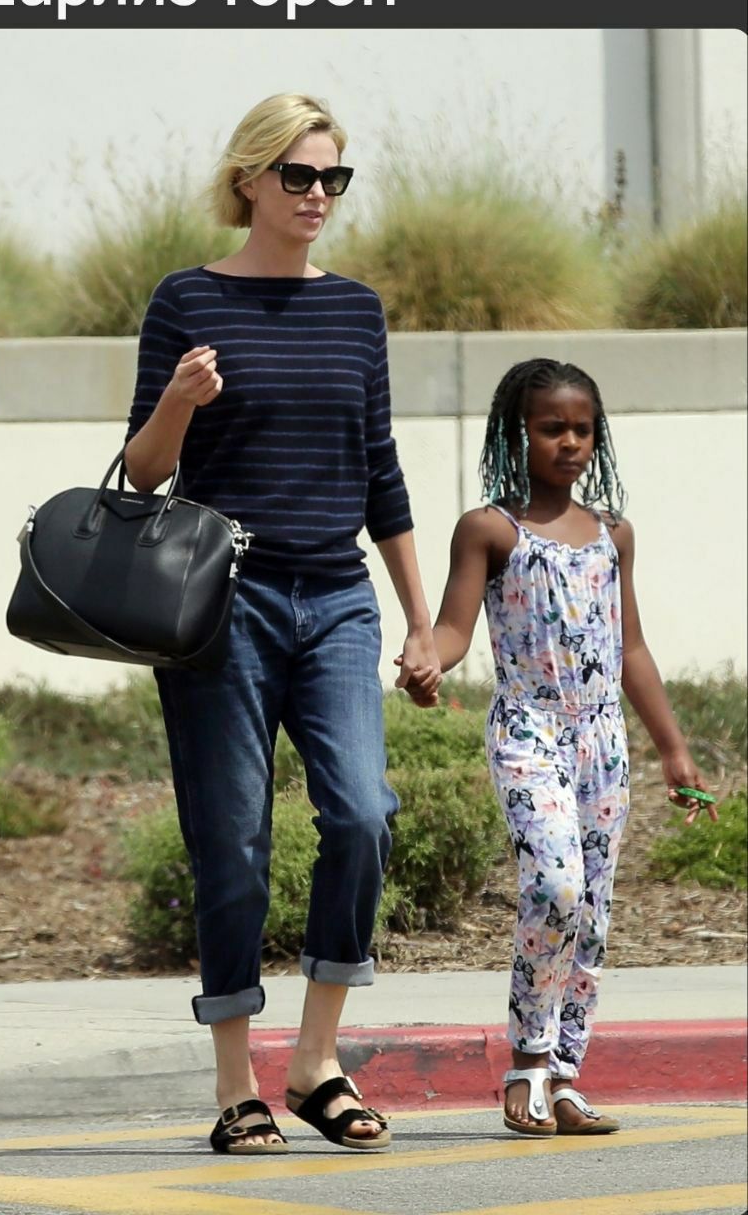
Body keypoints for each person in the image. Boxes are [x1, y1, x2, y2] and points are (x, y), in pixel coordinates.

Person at [123, 93, 439, 1154]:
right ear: (249, 180)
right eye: (298, 175)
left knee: (362, 813)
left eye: (332, 178)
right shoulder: (187, 299)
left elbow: (380, 470)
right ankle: (235, 1084)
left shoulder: (356, 310)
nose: (316, 195)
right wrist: (180, 398)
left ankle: (314, 1062)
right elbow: (143, 472)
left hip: (338, 597)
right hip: (224, 604)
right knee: (234, 840)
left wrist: (422, 623)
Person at [402, 358, 717, 1137]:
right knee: (555, 887)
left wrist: (672, 750)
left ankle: (565, 1074)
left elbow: (630, 647)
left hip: (601, 742)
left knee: (593, 911)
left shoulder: (613, 534)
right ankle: (527, 1060)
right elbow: (453, 628)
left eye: (582, 429)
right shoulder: (488, 529)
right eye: (551, 428)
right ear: (516, 433)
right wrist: (428, 659)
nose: (569, 442)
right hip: (529, 732)